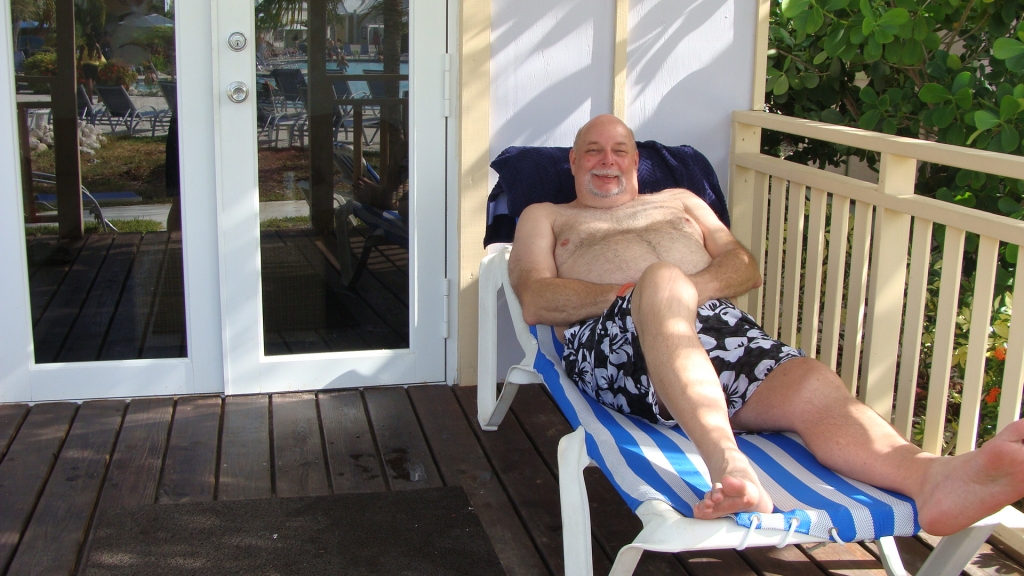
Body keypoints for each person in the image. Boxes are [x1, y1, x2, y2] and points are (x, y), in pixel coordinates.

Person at [508, 113, 1024, 537]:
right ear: (573, 162)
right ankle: (730, 465)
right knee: (663, 279)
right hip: (612, 342)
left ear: (637, 161)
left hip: (718, 329)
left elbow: (743, 267)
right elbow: (535, 297)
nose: (607, 160)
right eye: (593, 150)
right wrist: (646, 292)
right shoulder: (547, 215)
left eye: (620, 149)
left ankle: (932, 478)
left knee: (811, 383)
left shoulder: (682, 202)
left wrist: (683, 293)